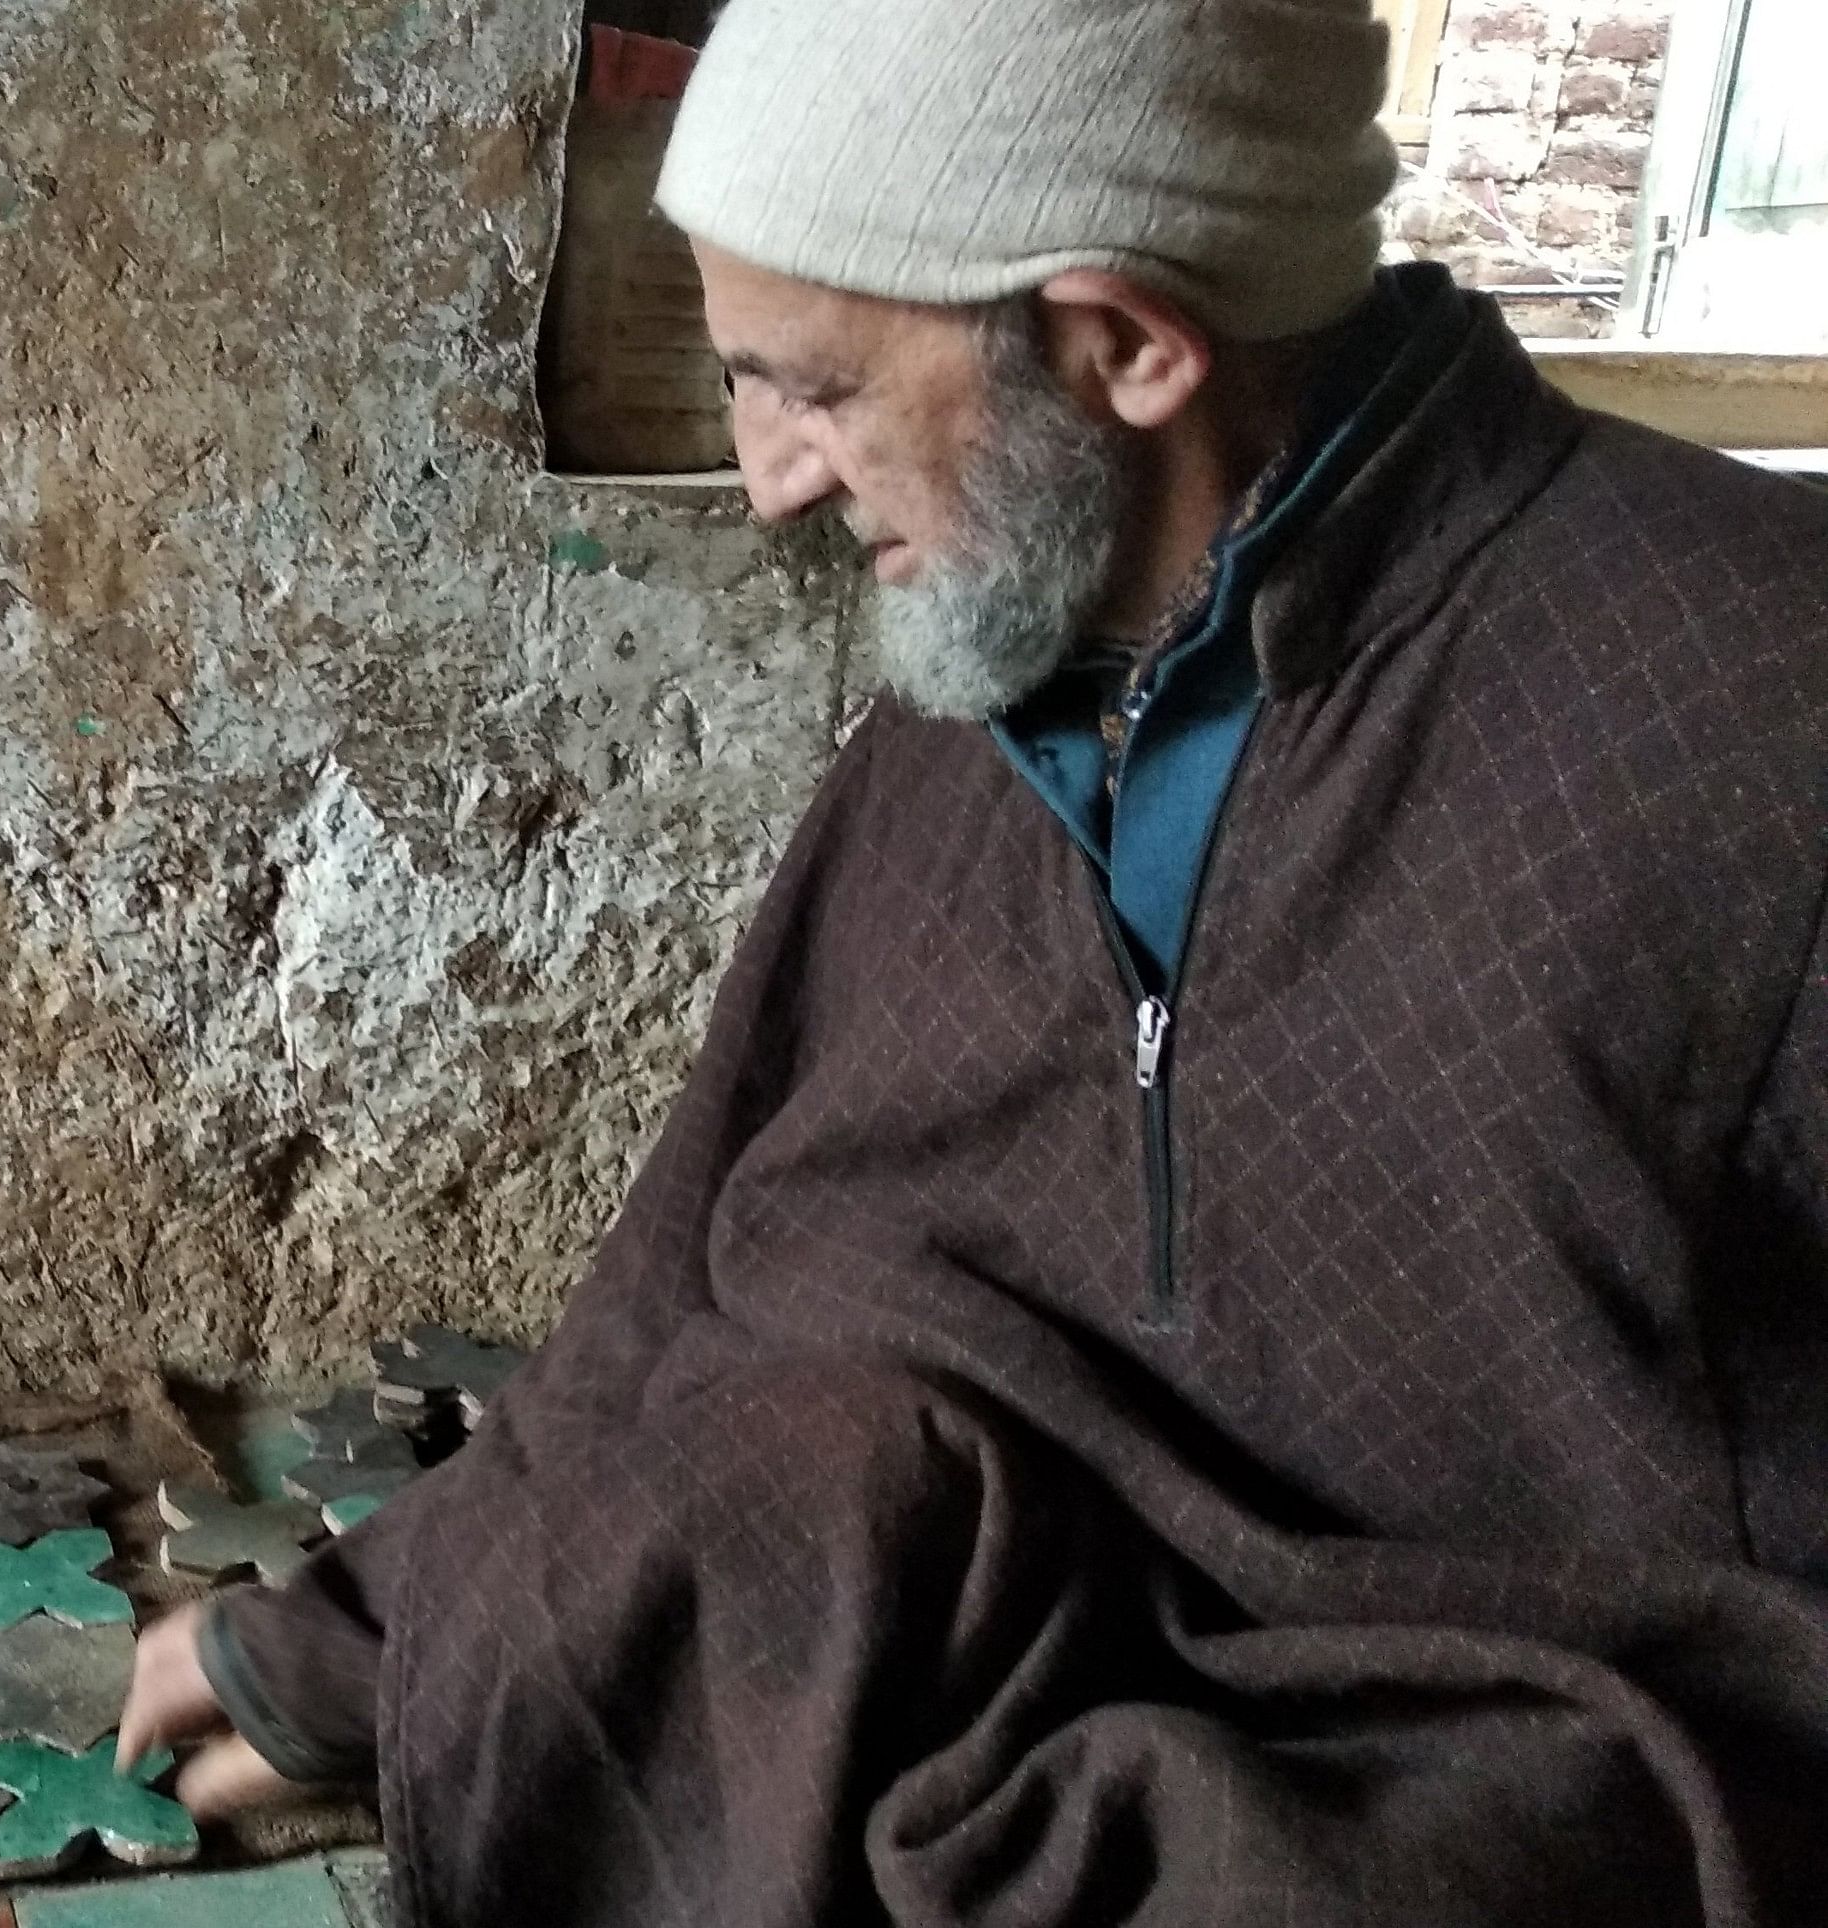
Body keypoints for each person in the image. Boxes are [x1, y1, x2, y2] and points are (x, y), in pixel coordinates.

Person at [114, 0, 1828, 1921]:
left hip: (1522, 1771)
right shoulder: (970, 715)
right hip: (1011, 1664)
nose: (768, 477)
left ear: (1128, 346)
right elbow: (692, 1281)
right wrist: (369, 1640)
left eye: (817, 389)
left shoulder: (1766, 708)